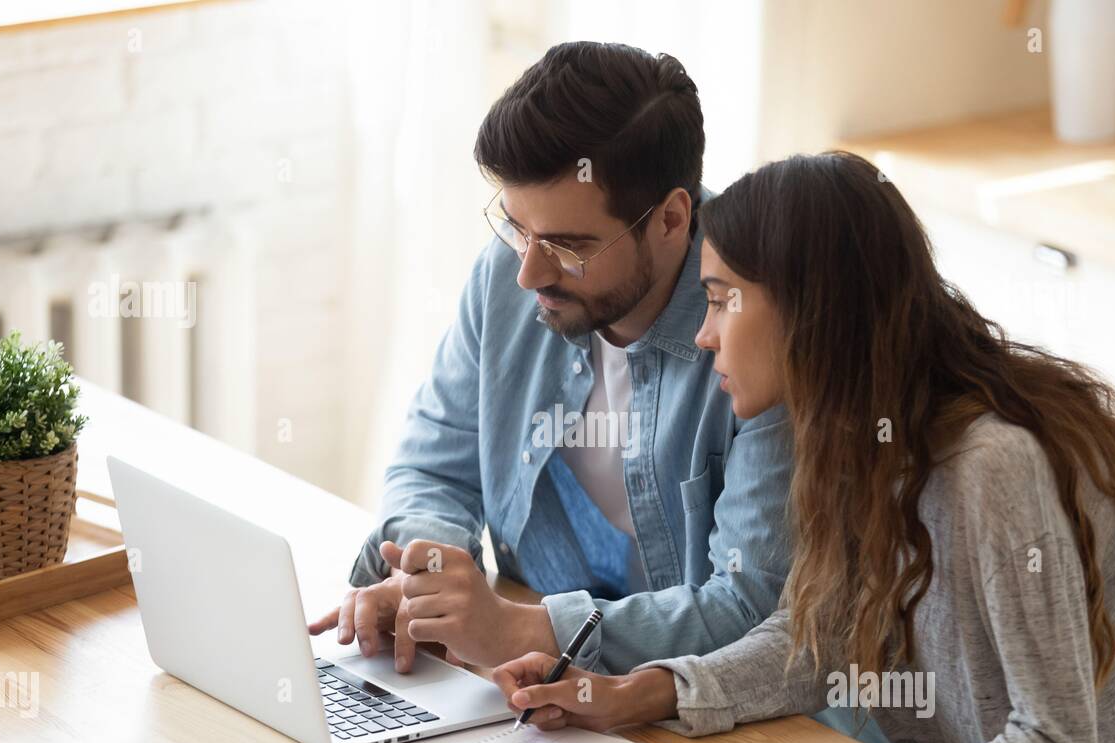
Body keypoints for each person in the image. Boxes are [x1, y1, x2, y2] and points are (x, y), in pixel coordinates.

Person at [492, 151, 1115, 743]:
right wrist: (636, 694)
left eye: (720, 299)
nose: (704, 332)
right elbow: (817, 638)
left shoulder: (992, 467)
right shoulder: (857, 437)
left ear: (811, 310)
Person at [308, 43, 796, 696]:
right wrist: (428, 576)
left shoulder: (764, 324)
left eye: (568, 246)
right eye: (515, 228)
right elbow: (433, 466)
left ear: (672, 220)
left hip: (689, 721)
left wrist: (524, 630)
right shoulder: (512, 270)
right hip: (525, 695)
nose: (528, 272)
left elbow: (750, 611)